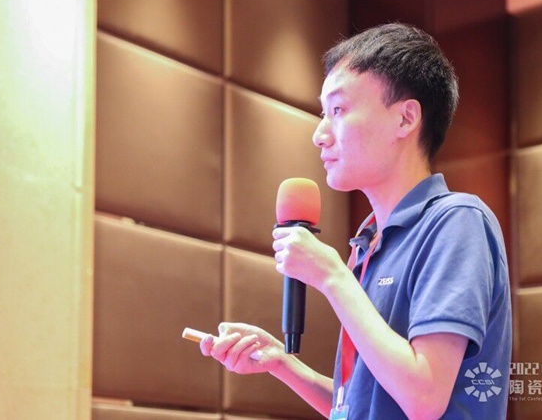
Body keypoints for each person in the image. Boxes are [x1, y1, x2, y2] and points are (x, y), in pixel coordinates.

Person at [199, 23, 512, 419]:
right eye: (323, 113)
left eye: (338, 110)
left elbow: (424, 397)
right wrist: (282, 363)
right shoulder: (369, 242)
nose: (319, 134)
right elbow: (362, 404)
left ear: (406, 119)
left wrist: (332, 277)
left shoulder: (456, 222)